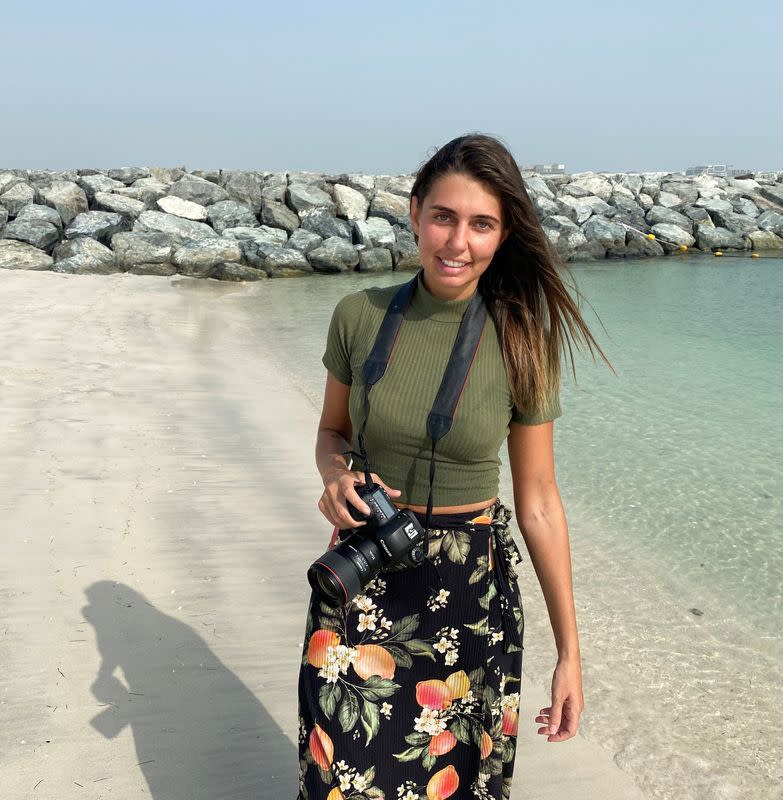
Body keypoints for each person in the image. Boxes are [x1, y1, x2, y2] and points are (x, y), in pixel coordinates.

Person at [297, 133, 611, 800]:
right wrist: (335, 476)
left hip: (469, 593)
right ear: (414, 212)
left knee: (451, 783)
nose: (456, 242)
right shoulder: (359, 316)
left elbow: (538, 504)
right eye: (443, 217)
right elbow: (331, 431)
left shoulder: (522, 338)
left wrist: (570, 655)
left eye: (480, 224)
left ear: (502, 235)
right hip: (364, 571)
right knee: (339, 776)